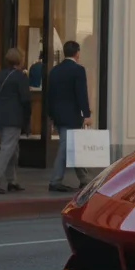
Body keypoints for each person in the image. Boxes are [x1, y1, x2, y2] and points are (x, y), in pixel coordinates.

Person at [47, 40, 94, 193]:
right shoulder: (78, 70)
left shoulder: (54, 70)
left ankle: (84, 179)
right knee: (66, 148)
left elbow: (50, 95)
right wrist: (86, 114)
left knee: (74, 146)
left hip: (58, 116)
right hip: (71, 116)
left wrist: (51, 115)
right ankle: (55, 180)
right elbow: (81, 94)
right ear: (77, 53)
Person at [0, 48, 30, 195]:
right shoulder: (20, 77)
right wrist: (27, 119)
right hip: (13, 118)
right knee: (7, 149)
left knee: (13, 150)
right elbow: (25, 100)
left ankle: (12, 181)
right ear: (20, 60)